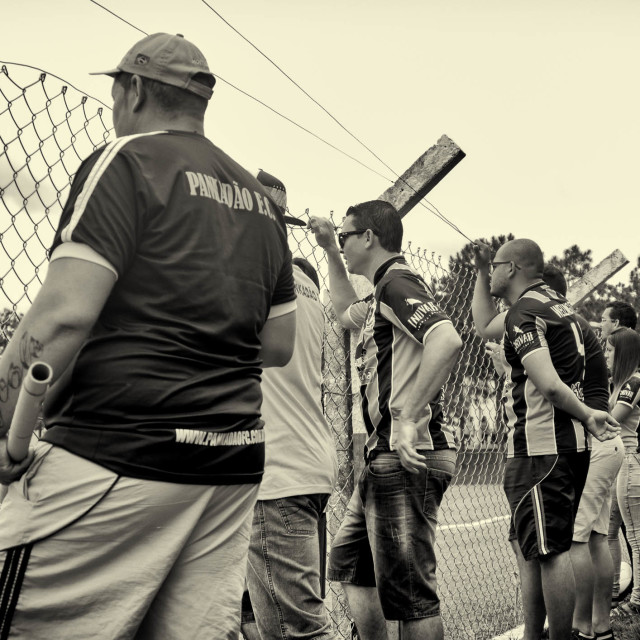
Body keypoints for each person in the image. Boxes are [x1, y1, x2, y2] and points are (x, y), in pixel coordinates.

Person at [0, 33, 296, 640]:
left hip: (120, 447)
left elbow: (61, 317)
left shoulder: (128, 159)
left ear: (133, 90)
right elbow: (277, 345)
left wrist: (4, 428)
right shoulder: (262, 203)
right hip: (230, 461)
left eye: (116, 93)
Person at [308, 202, 462, 640]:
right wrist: (331, 253)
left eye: (344, 236)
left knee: (412, 597)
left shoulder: (397, 282)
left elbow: (447, 339)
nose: (341, 242)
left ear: (369, 237)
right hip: (387, 454)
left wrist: (409, 416)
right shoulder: (381, 293)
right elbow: (343, 313)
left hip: (407, 452)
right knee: (354, 566)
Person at [471, 239, 619, 640]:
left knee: (551, 554)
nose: (491, 273)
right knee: (543, 550)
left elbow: (550, 386)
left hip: (540, 450)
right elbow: (484, 326)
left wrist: (588, 414)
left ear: (515, 268)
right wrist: (478, 270)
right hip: (567, 449)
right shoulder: (558, 307)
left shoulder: (524, 313)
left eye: (495, 266)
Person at [240, 171, 338, 640]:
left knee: (295, 628)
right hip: (306, 460)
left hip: (274, 468)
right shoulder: (303, 282)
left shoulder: (249, 271)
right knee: (260, 616)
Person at [604, 328, 640, 621]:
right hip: (619, 463)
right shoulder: (618, 382)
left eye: (609, 349)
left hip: (629, 461)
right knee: (608, 532)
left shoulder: (633, 382)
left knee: (637, 537)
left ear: (623, 353)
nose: (605, 354)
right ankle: (614, 593)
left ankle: (637, 601)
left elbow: (612, 420)